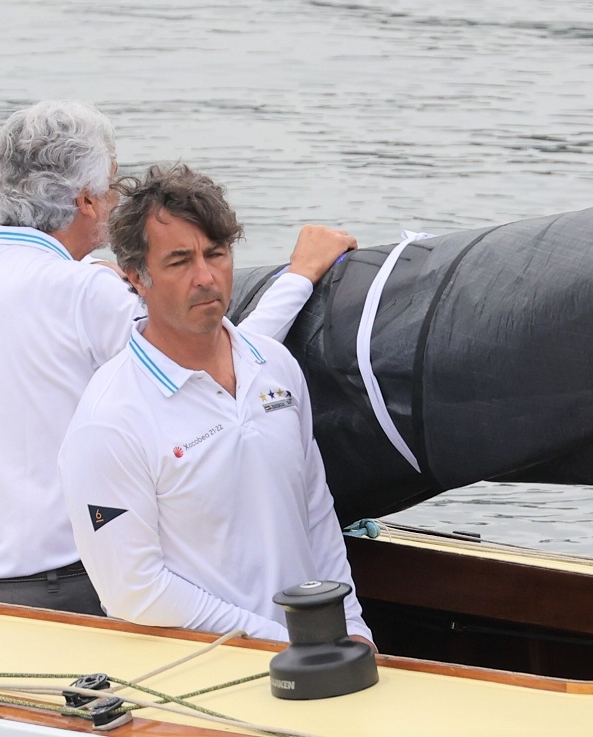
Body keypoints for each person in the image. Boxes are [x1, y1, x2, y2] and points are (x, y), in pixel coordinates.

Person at [0, 101, 357, 614]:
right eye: (114, 186)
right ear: (88, 202)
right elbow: (202, 357)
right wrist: (299, 276)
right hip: (58, 592)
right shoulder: (83, 290)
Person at [56, 163, 373, 644]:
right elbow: (133, 591)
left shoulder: (276, 366)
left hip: (311, 656)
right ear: (136, 278)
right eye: (180, 261)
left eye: (216, 253)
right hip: (205, 684)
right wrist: (275, 641)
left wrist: (351, 627)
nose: (205, 277)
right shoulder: (109, 420)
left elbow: (315, 514)